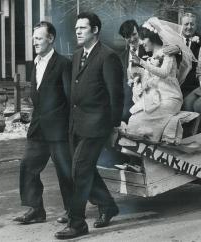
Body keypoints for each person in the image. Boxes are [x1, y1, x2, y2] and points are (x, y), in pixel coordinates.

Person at [54, 12, 124, 240]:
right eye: (76, 28)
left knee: (79, 170)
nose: (77, 31)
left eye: (83, 28)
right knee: (84, 169)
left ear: (95, 30)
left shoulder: (108, 56)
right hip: (76, 124)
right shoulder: (76, 56)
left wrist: (113, 126)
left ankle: (77, 223)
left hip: (97, 125)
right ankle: (108, 205)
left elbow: (116, 95)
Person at [13, 22, 73, 225]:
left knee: (65, 170)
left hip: (59, 129)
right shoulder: (36, 63)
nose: (34, 42)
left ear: (51, 39)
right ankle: (36, 209)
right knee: (28, 165)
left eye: (39, 38)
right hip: (39, 127)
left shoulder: (63, 64)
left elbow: (70, 98)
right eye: (33, 38)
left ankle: (72, 210)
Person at [126, 18, 184, 142]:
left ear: (152, 38)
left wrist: (141, 63)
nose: (141, 42)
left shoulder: (168, 53)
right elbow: (151, 78)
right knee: (133, 120)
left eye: (143, 39)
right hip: (156, 98)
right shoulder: (152, 57)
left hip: (169, 98)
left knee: (137, 122)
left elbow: (163, 73)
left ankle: (153, 143)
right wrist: (137, 77)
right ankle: (143, 153)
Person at [119, 20, 149, 122]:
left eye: (134, 34)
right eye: (128, 37)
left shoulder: (148, 50)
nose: (132, 39)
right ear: (124, 38)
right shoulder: (122, 57)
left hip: (147, 92)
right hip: (128, 95)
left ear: (138, 32)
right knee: (123, 116)